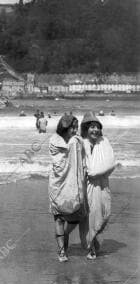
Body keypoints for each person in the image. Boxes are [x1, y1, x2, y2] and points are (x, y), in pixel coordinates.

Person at [48, 114, 87, 262]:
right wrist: (75, 140)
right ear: (64, 127)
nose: (75, 130)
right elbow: (59, 160)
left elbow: (82, 157)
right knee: (58, 217)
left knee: (77, 215)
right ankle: (62, 251)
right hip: (58, 183)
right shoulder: (54, 141)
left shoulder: (76, 141)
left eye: (76, 127)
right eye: (73, 127)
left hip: (73, 183)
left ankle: (65, 234)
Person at [79, 112, 116, 260]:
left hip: (102, 184)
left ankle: (94, 238)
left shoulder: (104, 141)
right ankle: (91, 247)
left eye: (96, 127)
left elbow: (110, 163)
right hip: (87, 185)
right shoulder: (82, 143)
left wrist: (94, 172)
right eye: (91, 127)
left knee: (105, 214)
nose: (94, 130)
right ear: (85, 129)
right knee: (90, 215)